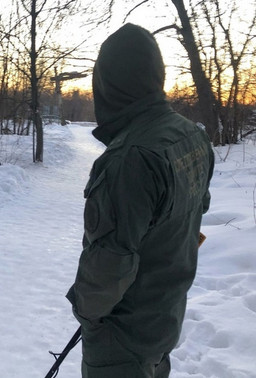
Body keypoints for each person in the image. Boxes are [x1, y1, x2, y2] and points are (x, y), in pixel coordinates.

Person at [66, 24, 214, 378]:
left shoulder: (130, 158)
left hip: (124, 337)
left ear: (109, 85)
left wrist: (88, 315)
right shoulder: (189, 134)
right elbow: (195, 215)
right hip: (163, 320)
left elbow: (110, 264)